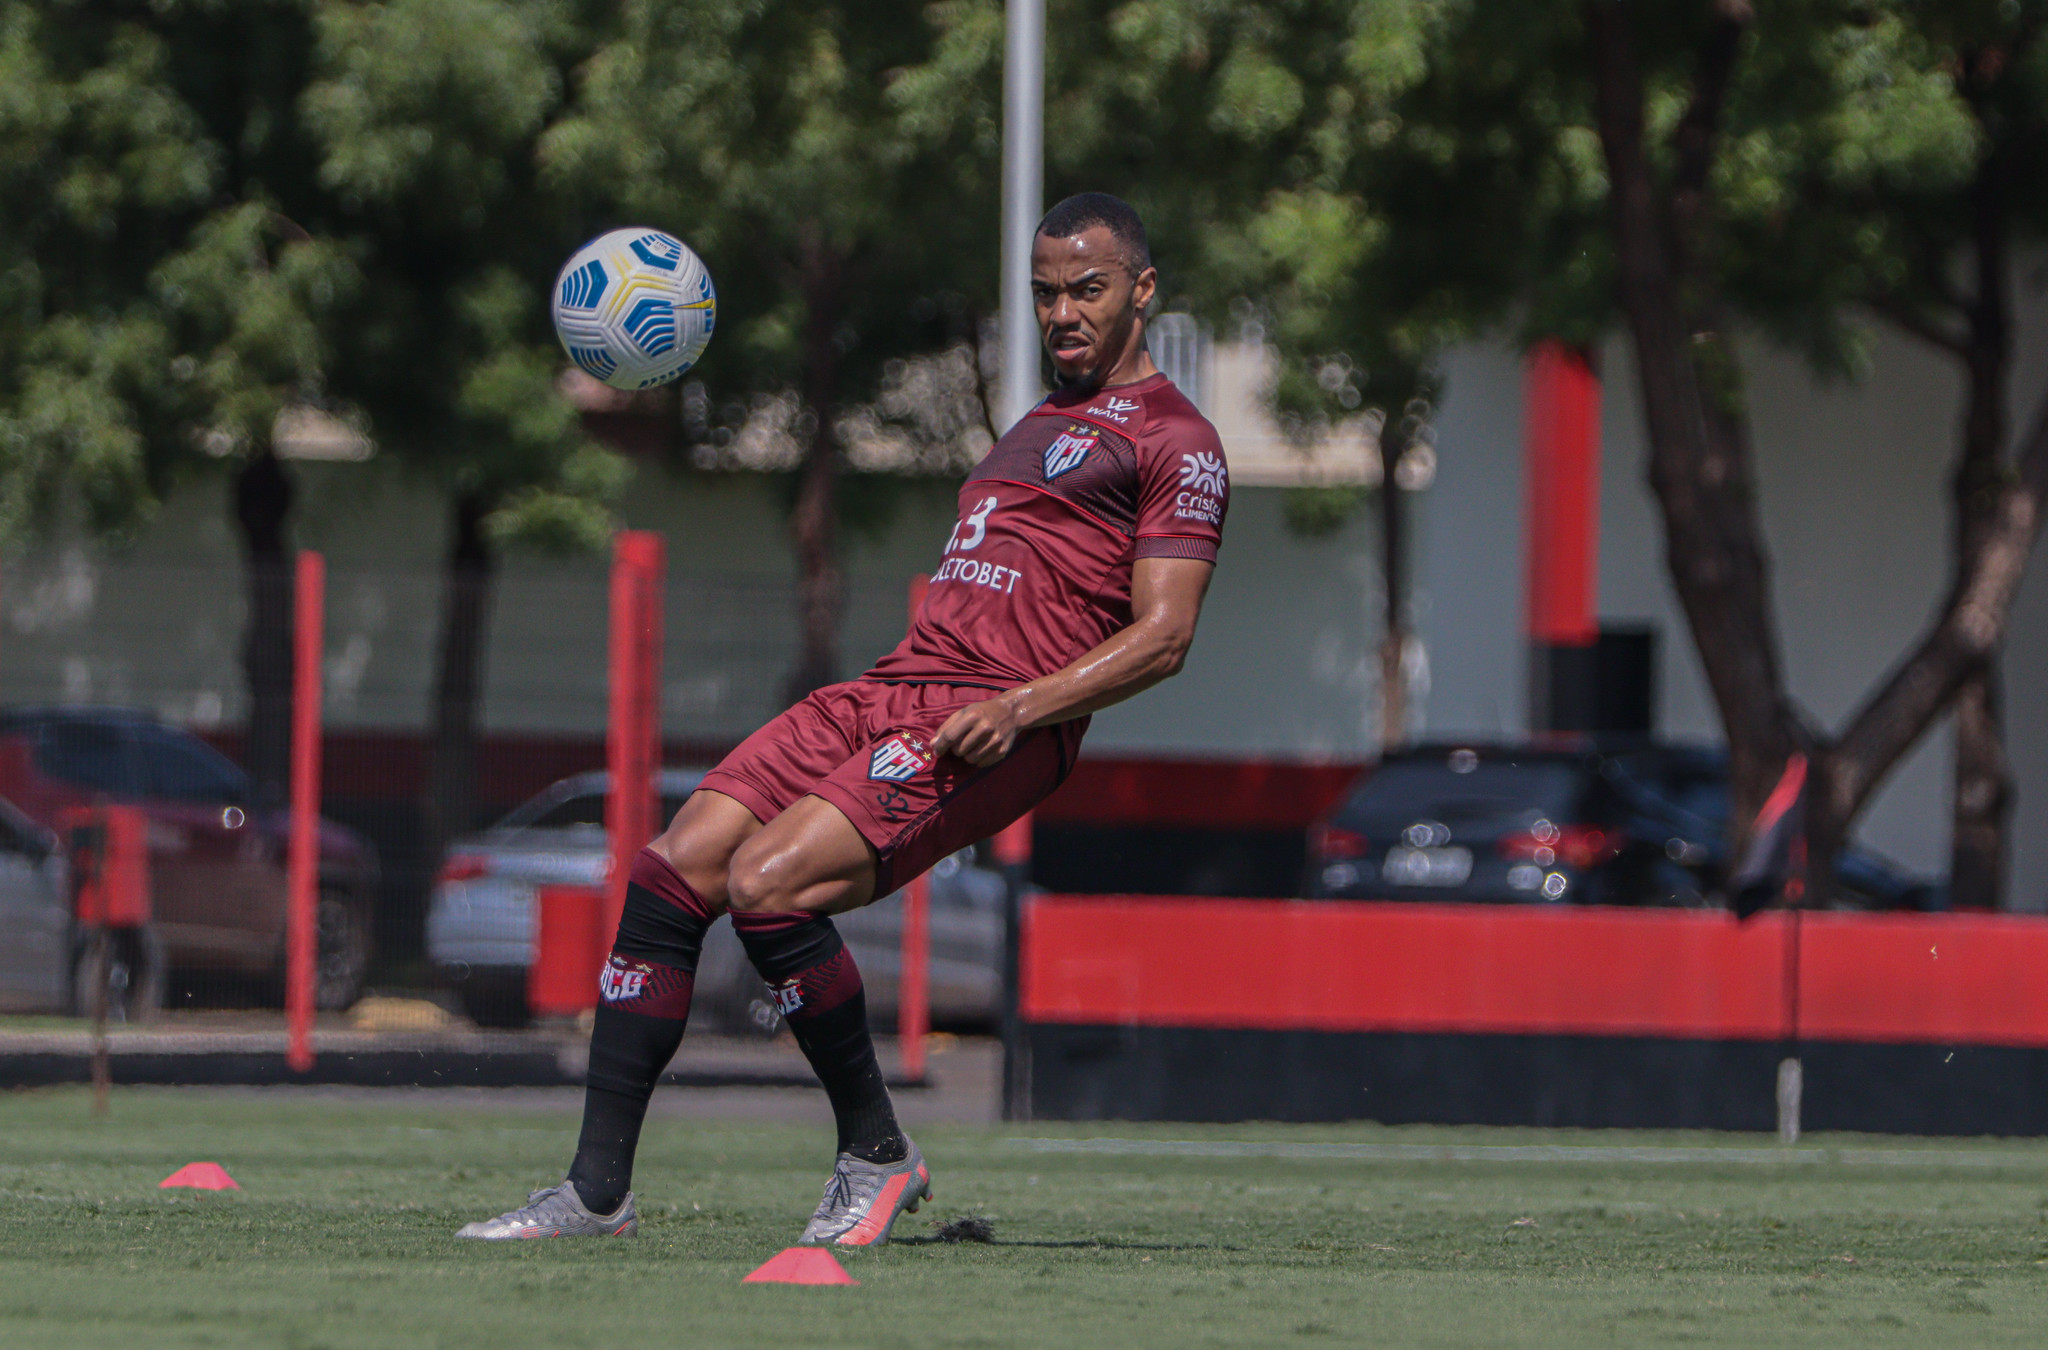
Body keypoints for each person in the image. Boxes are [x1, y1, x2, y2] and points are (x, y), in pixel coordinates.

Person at [456, 192, 1230, 1246]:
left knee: (768, 884)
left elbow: (1165, 635)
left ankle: (875, 1152)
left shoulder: (1178, 440)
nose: (1061, 313)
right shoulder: (1036, 423)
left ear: (1143, 290)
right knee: (671, 870)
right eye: (1044, 293)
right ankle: (595, 1195)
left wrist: (1019, 706)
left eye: (1086, 290)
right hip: (890, 687)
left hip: (992, 719)